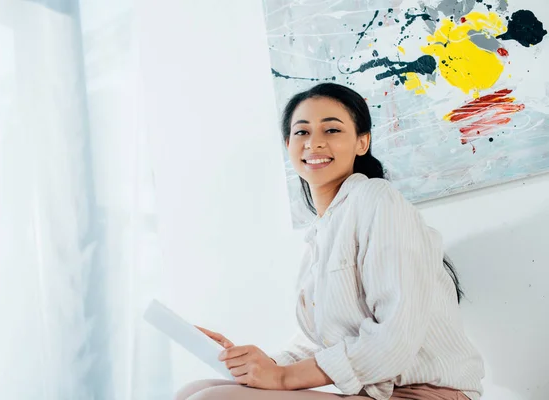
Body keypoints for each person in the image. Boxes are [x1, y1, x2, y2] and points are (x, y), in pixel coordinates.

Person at [175, 83, 485, 400]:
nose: (315, 143)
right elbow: (325, 339)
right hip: (379, 394)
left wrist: (281, 378)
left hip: (430, 394)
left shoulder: (377, 199)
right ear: (288, 144)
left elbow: (396, 337)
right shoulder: (323, 232)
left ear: (362, 142)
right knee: (196, 390)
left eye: (332, 130)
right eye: (302, 132)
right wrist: (258, 365)